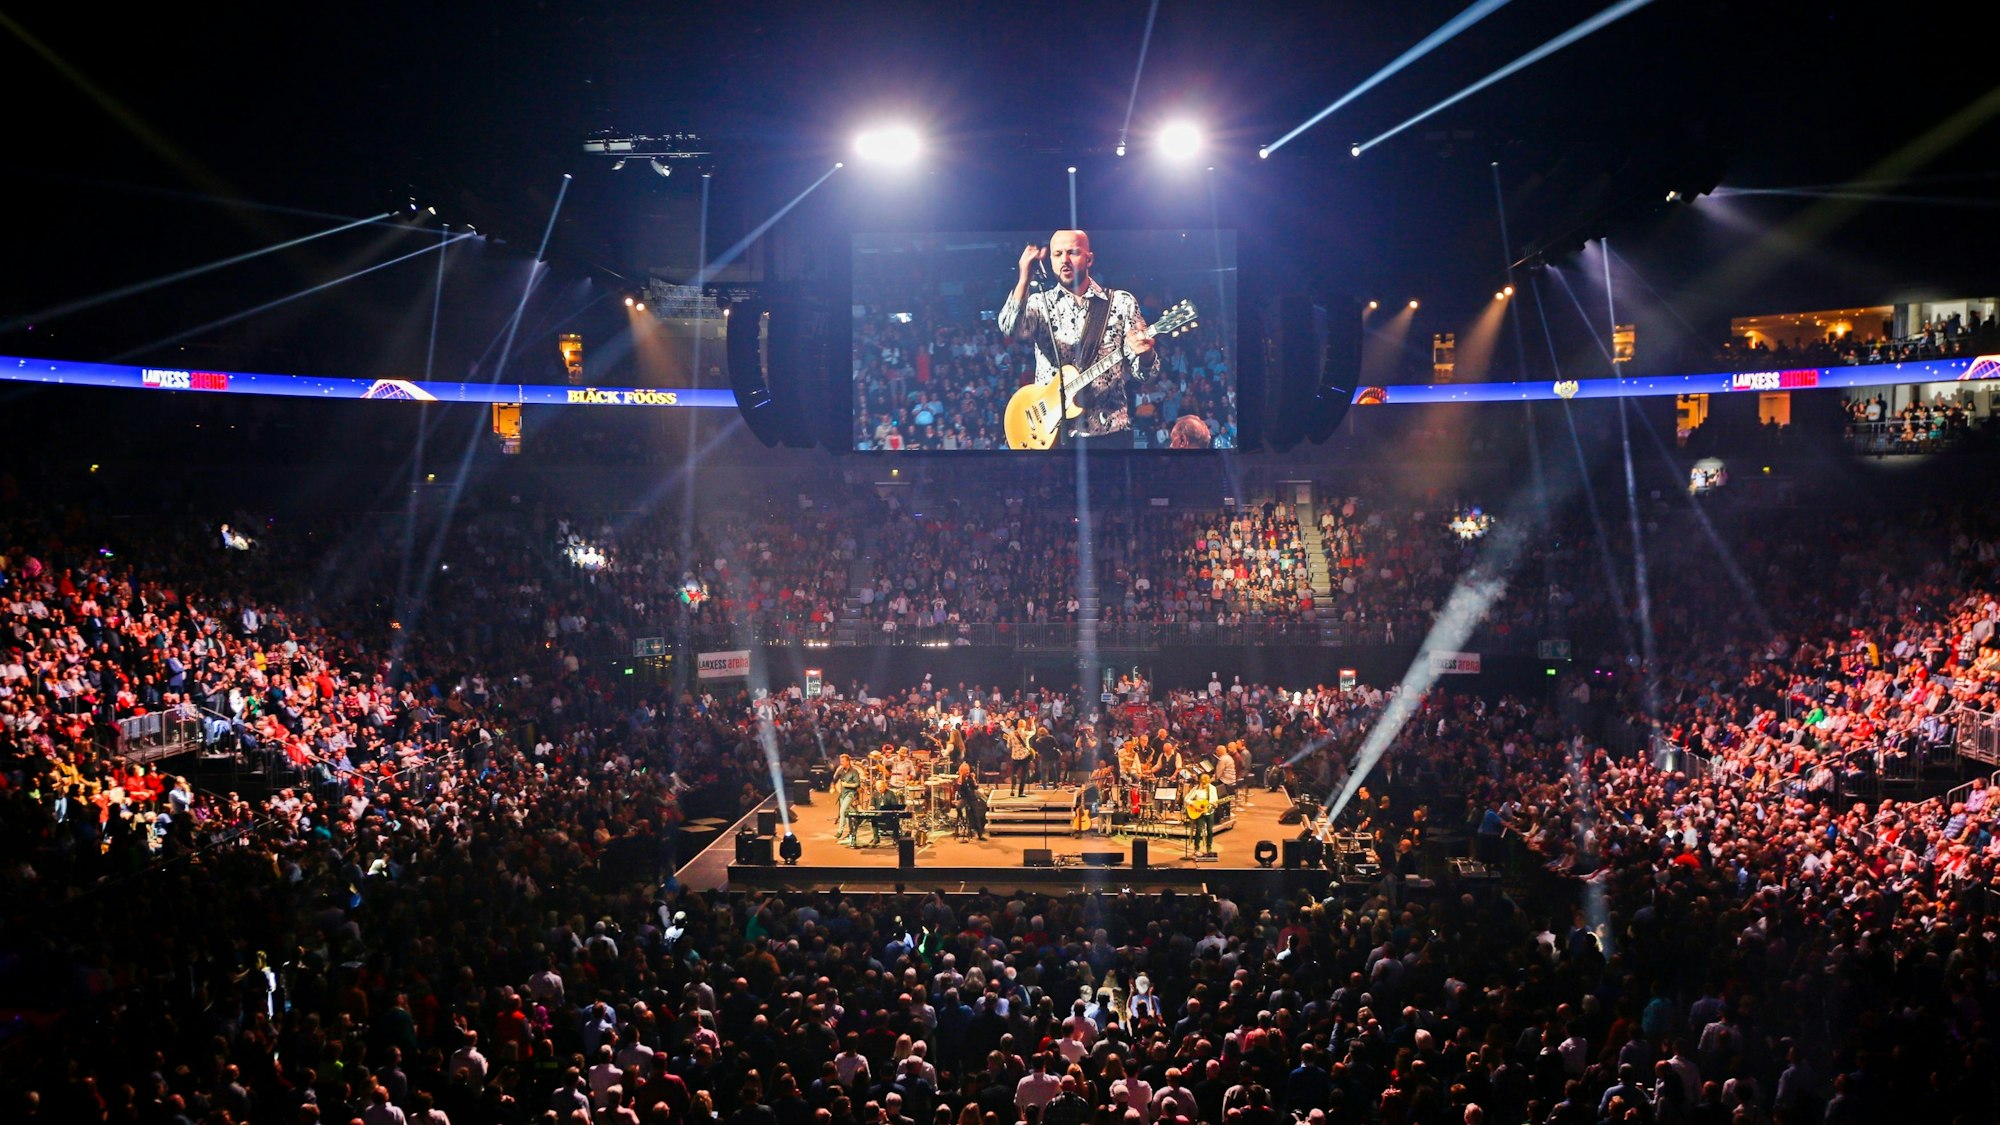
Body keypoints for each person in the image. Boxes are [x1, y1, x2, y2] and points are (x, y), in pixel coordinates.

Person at [999, 230, 1158, 447]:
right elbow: (1010, 328)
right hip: (1053, 434)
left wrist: (1146, 354)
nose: (1064, 260)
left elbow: (1145, 375)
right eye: (1057, 254)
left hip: (1109, 433)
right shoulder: (1039, 303)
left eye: (1072, 252)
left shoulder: (1121, 303)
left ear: (1089, 259)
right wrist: (1024, 278)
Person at [1185, 770, 1220, 857]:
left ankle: (1209, 849)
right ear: (1200, 782)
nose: (1204, 785)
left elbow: (1214, 801)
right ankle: (1196, 849)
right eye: (1203, 784)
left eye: (1206, 784)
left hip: (1209, 812)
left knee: (1210, 830)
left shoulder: (1212, 788)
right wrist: (1194, 805)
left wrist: (1214, 804)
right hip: (1199, 813)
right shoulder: (1196, 789)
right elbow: (1187, 799)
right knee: (1199, 830)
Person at [834, 754, 864, 846]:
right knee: (847, 814)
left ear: (848, 761)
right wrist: (832, 786)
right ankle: (851, 832)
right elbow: (834, 779)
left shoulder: (854, 772)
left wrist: (847, 785)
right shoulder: (840, 771)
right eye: (840, 761)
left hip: (851, 794)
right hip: (843, 794)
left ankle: (840, 831)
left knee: (842, 810)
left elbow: (857, 784)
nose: (841, 763)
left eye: (843, 761)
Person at [955, 763, 987, 840]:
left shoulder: (970, 778)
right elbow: (959, 789)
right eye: (966, 770)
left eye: (968, 770)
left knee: (976, 815)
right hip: (964, 798)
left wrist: (974, 779)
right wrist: (961, 777)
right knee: (958, 807)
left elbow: (975, 787)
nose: (968, 772)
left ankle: (979, 834)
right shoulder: (960, 780)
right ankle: (961, 818)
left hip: (972, 798)